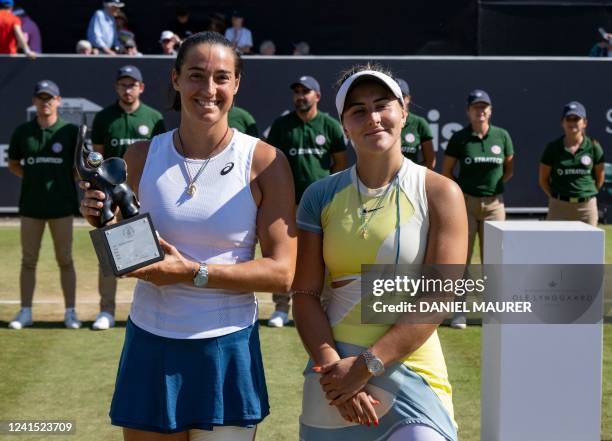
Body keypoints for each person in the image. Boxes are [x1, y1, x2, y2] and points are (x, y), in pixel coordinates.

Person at [79, 31, 296, 439]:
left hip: (226, 346)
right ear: (176, 79)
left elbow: (283, 273)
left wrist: (191, 272)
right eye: (196, 75)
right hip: (150, 340)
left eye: (221, 78)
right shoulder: (140, 156)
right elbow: (126, 258)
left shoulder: (265, 161)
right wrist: (102, 224)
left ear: (236, 84)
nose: (208, 89)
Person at [292, 64, 466, 441]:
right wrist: (335, 372)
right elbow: (304, 295)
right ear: (344, 125)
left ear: (404, 111)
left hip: (412, 368)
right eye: (358, 110)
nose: (372, 118)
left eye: (382, 105)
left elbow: (438, 296)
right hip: (332, 369)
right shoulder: (318, 197)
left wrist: (365, 367)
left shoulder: (440, 192)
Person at [266, 75, 348, 327]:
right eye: (297, 92)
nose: (301, 96)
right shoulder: (282, 126)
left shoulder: (330, 126)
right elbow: (270, 164)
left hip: (322, 204)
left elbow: (340, 164)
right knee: (286, 254)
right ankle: (281, 307)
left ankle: (323, 306)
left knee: (322, 256)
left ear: (318, 96)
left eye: (306, 92)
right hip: (287, 204)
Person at [89, 65, 166, 330]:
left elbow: (160, 156)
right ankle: (106, 310)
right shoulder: (104, 118)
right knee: (108, 252)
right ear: (116, 87)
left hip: (143, 195)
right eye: (123, 84)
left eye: (132, 84)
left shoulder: (154, 117)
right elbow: (96, 157)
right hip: (111, 197)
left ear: (141, 87)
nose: (127, 89)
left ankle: (156, 307)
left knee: (150, 250)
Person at [7, 80, 81, 330]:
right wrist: (35, 180)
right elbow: (14, 164)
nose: (45, 102)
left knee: (66, 259)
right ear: (34, 101)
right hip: (31, 207)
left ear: (58, 101)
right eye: (41, 97)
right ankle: (25, 311)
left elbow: (77, 170)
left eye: (50, 98)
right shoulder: (22, 132)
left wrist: (59, 182)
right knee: (28, 260)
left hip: (61, 207)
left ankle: (71, 312)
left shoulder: (70, 132)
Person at [441, 89, 514, 329]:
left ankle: (493, 311)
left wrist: (493, 188)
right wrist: (461, 194)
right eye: (475, 107)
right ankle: (459, 311)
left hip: (495, 205)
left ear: (490, 111)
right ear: (468, 111)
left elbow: (508, 169)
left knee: (494, 259)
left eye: (484, 107)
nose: (480, 111)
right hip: (467, 204)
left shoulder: (502, 136)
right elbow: (447, 170)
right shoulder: (460, 138)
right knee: (462, 258)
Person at [539, 101, 604, 226]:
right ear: (562, 123)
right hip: (559, 207)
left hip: (586, 208)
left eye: (576, 119)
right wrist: (558, 198)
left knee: (588, 245)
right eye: (568, 119)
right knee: (555, 244)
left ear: (584, 123)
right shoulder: (553, 148)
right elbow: (543, 180)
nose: (572, 122)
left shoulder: (594, 147)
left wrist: (585, 193)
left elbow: (599, 178)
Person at [395, 78, 435, 169]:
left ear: (408, 99)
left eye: (402, 96)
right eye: (395, 97)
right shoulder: (380, 122)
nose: (399, 101)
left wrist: (412, 175)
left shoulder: (419, 123)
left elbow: (430, 162)